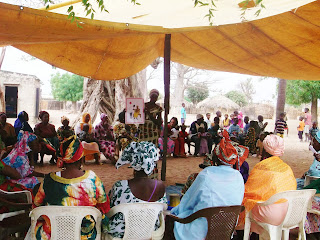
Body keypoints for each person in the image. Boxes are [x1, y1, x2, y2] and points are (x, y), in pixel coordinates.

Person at [170, 130, 246, 240]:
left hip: (200, 232)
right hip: (225, 230)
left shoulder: (207, 174)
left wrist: (175, 212)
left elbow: (188, 202)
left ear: (215, 158)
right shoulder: (238, 176)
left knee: (174, 220)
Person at [32, 135, 110, 240]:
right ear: (81, 159)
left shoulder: (49, 180)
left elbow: (36, 206)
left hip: (52, 235)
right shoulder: (93, 179)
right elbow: (104, 206)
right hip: (84, 236)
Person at [106, 141, 167, 239]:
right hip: (149, 233)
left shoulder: (120, 186)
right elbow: (163, 210)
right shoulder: (160, 186)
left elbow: (109, 210)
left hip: (121, 235)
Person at [238, 135, 296, 235]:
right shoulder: (287, 168)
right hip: (287, 213)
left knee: (245, 203)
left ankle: (246, 233)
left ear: (264, 150)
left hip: (270, 215)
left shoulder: (261, 167)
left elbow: (249, 191)